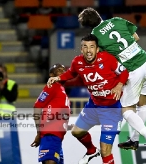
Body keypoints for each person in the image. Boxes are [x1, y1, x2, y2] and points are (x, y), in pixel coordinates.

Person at [77, 7, 146, 159]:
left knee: (126, 110)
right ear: (98, 15)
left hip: (133, 70)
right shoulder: (116, 20)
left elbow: (103, 58)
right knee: (142, 103)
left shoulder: (95, 36)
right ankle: (134, 140)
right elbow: (136, 37)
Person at [47, 34, 129, 164]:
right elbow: (71, 73)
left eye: (92, 47)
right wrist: (58, 78)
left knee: (105, 151)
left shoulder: (108, 59)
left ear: (97, 49)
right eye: (85, 47)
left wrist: (119, 85)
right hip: (93, 106)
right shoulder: (77, 62)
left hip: (111, 109)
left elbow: (124, 72)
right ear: (81, 49)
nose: (88, 50)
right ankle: (91, 151)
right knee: (76, 132)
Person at [31, 63, 71, 164]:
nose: (63, 72)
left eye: (64, 70)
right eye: (59, 70)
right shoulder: (52, 86)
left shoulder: (61, 90)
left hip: (57, 138)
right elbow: (37, 107)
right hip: (50, 135)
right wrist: (39, 132)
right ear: (51, 76)